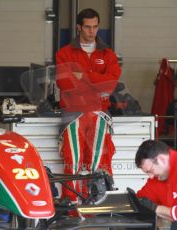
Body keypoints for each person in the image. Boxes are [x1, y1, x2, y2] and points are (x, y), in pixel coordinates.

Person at [56, 8, 121, 202]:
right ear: (78, 27)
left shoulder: (108, 54)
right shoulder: (64, 53)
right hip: (73, 113)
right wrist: (96, 83)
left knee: (98, 162)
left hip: (99, 113)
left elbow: (110, 84)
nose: (91, 31)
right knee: (72, 161)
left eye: (95, 27)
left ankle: (95, 206)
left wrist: (81, 77)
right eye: (87, 27)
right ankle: (71, 205)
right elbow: (64, 83)